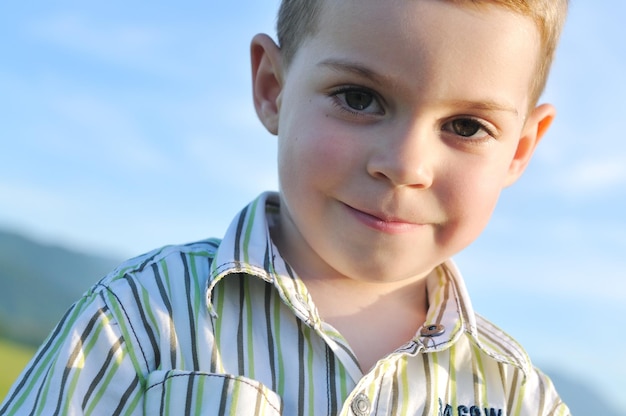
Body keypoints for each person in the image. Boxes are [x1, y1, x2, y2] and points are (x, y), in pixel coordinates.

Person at [1, 0, 571, 414]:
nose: (405, 165)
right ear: (273, 87)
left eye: (466, 126)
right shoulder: (140, 319)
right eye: (358, 98)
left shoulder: (520, 398)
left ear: (519, 149)